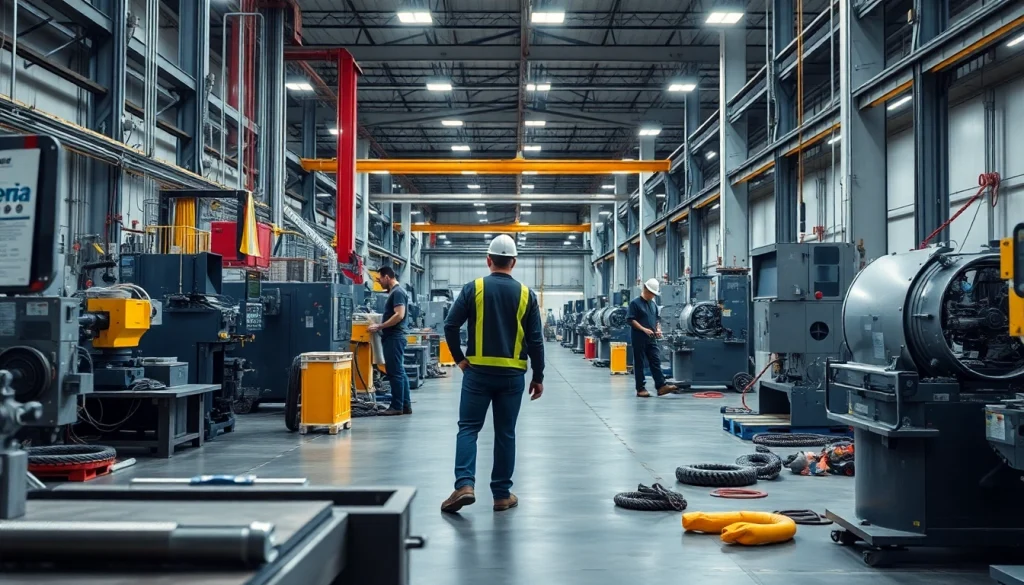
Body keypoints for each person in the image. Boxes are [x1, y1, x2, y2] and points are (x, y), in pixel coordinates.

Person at [440, 234, 545, 514]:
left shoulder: (473, 288)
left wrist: (459, 360)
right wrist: (539, 376)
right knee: (505, 433)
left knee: (469, 428)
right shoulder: (526, 294)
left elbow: (450, 326)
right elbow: (536, 340)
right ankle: (501, 495)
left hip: (477, 374)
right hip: (512, 377)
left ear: (488, 260)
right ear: (514, 262)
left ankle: (464, 484)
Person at [368, 266, 412, 416]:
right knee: (400, 372)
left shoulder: (398, 292)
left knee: (394, 373)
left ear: (387, 277)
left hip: (395, 337)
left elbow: (399, 315)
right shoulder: (395, 292)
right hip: (394, 336)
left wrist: (380, 326)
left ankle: (396, 406)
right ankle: (405, 405)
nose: (379, 282)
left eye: (379, 279)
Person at [627, 278, 676, 398]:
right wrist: (644, 329)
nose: (653, 296)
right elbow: (630, 319)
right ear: (645, 289)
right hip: (639, 337)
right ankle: (640, 388)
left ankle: (661, 386)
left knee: (655, 360)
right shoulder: (635, 303)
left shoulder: (653, 304)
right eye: (651, 293)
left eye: (654, 294)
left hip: (651, 338)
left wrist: (658, 329)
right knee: (640, 362)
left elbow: (657, 319)